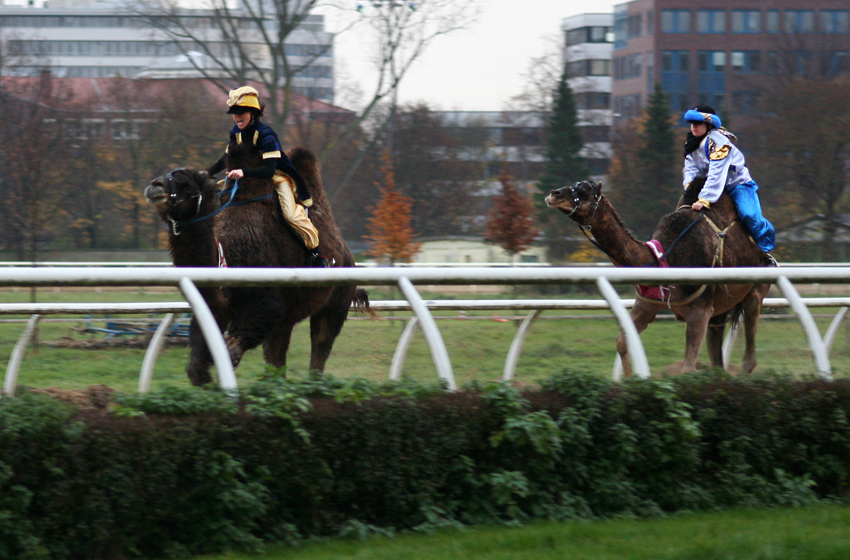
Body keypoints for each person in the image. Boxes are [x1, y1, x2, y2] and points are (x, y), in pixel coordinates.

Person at [207, 86, 330, 267]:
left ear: (254, 113)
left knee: (290, 215)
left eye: (241, 112)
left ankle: (317, 253)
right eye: (234, 112)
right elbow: (226, 158)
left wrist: (243, 172)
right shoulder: (235, 132)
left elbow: (269, 171)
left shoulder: (266, 135)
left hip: (277, 177)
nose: (237, 116)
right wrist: (206, 173)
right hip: (248, 180)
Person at [682, 105, 776, 264]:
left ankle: (765, 252)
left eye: (698, 123)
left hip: (737, 186)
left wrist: (704, 199)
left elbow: (716, 173)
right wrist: (690, 190)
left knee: (750, 216)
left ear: (709, 125)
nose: (694, 127)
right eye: (692, 123)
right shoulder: (691, 143)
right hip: (707, 187)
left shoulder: (720, 143)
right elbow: (689, 169)